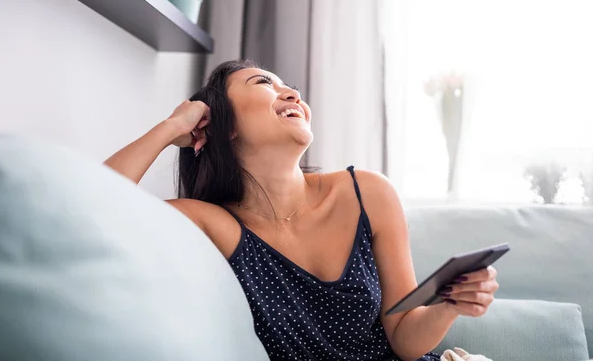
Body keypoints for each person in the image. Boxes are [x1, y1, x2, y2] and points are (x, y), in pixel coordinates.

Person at [104, 60, 499, 361]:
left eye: (291, 89)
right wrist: (172, 126)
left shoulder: (368, 193)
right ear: (226, 125)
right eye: (264, 84)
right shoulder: (215, 225)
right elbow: (95, 207)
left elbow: (403, 336)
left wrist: (450, 304)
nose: (293, 95)